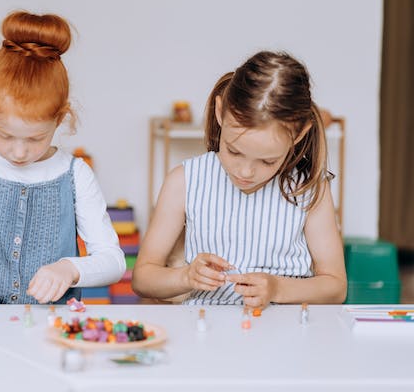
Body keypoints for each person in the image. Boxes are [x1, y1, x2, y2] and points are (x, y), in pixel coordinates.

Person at [0, 11, 125, 305]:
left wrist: (70, 269)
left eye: (35, 139)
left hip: (51, 334)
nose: (18, 152)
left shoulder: (76, 174)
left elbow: (113, 261)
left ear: (60, 119)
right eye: (4, 135)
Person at [132, 51, 347, 308]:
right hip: (206, 332)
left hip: (285, 334)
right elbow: (143, 278)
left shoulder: (309, 188)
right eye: (234, 151)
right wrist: (185, 276)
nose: (245, 172)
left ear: (300, 134)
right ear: (220, 112)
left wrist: (278, 287)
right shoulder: (185, 180)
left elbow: (336, 287)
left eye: (268, 161)